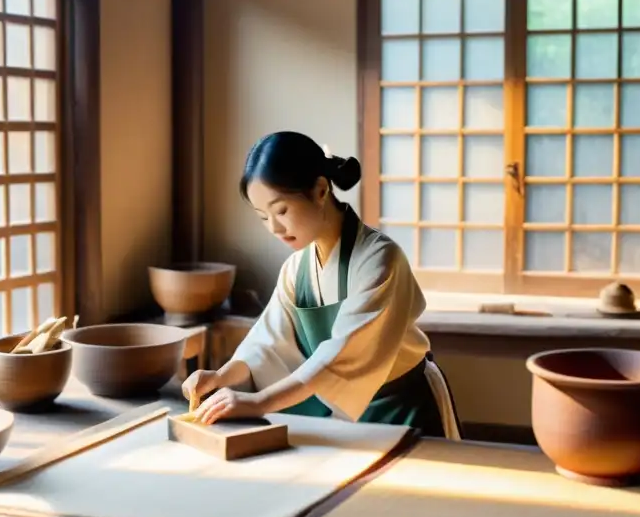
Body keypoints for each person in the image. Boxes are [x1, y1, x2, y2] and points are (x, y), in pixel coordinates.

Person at [181, 131, 461, 440]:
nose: (274, 227)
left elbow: (339, 355)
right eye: (263, 217)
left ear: (320, 190)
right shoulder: (296, 268)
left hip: (402, 405)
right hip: (347, 414)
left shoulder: (380, 259)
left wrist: (258, 403)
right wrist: (220, 376)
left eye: (281, 210)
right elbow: (266, 343)